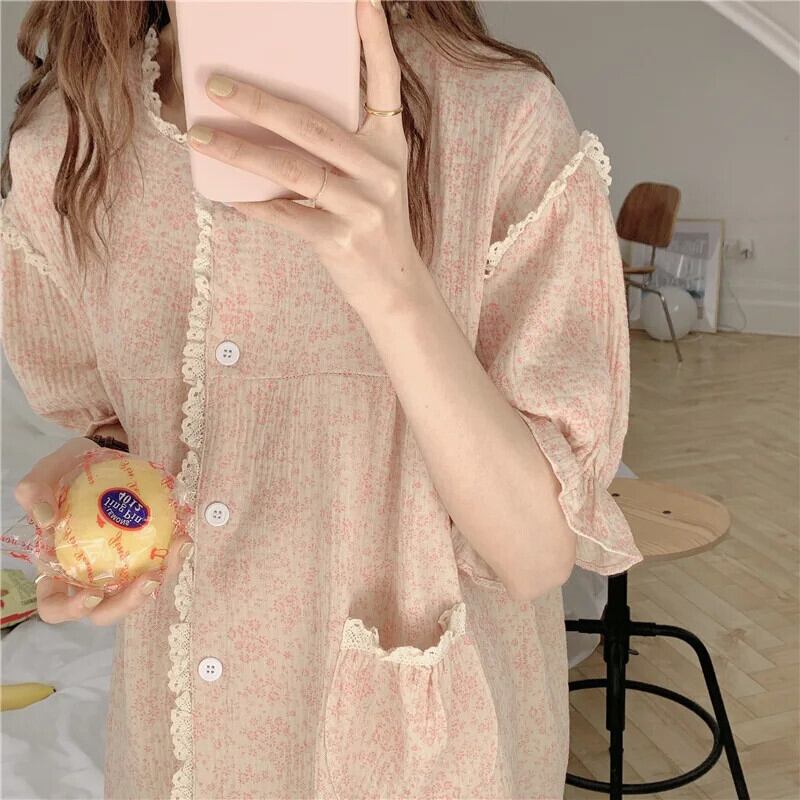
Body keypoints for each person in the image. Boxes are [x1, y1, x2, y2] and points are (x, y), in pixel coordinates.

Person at [0, 1, 644, 798]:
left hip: (426, 759)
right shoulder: (68, 149)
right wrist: (100, 467)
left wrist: (392, 278)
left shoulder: (496, 119)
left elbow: (535, 554)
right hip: (179, 752)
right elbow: (118, 420)